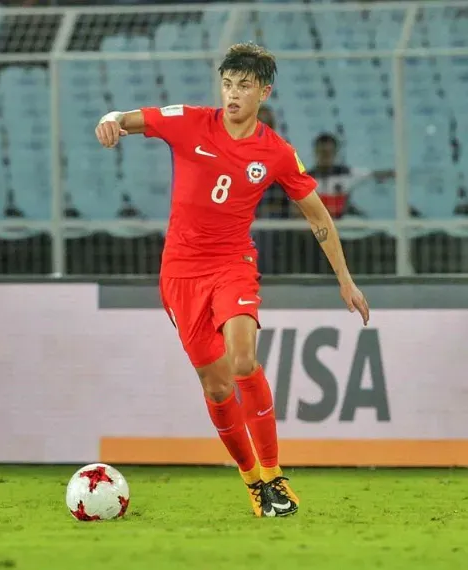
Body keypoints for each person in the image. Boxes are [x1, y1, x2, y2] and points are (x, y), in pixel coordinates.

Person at [95, 42, 369, 518]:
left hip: (232, 263)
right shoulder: (190, 122)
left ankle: (274, 473)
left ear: (263, 91)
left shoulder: (277, 153)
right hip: (180, 271)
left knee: (244, 360)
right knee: (217, 387)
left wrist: (345, 279)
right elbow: (130, 117)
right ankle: (252, 483)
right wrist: (111, 118)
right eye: (227, 83)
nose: (233, 94)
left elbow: (317, 214)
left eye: (244, 86)